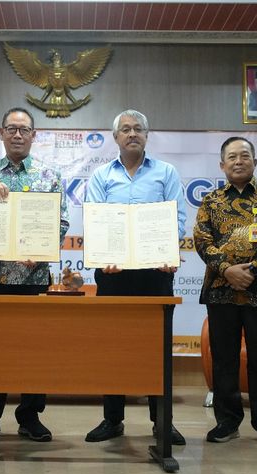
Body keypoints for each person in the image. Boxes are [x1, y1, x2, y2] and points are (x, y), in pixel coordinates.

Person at [0, 107, 69, 442]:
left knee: (35, 348)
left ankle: (30, 416)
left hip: (33, 278)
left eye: (24, 130)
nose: (17, 135)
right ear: (1, 134)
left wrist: (43, 250)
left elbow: (60, 223)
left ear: (34, 135)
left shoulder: (49, 176)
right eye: (11, 129)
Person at [83, 109, 187, 445]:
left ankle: (162, 422)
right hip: (113, 276)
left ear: (147, 135)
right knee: (112, 348)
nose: (132, 134)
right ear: (115, 137)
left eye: (138, 129)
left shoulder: (166, 172)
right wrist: (104, 255)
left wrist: (168, 251)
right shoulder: (101, 176)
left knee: (157, 349)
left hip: (155, 274)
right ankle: (112, 420)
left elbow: (178, 219)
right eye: (125, 129)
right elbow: (95, 220)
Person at [193, 137, 257, 448]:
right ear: (222, 165)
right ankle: (227, 421)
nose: (238, 161)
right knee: (224, 360)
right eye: (232, 157)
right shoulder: (211, 201)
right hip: (221, 291)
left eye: (244, 156)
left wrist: (254, 268)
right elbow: (201, 239)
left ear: (255, 162)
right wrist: (227, 270)